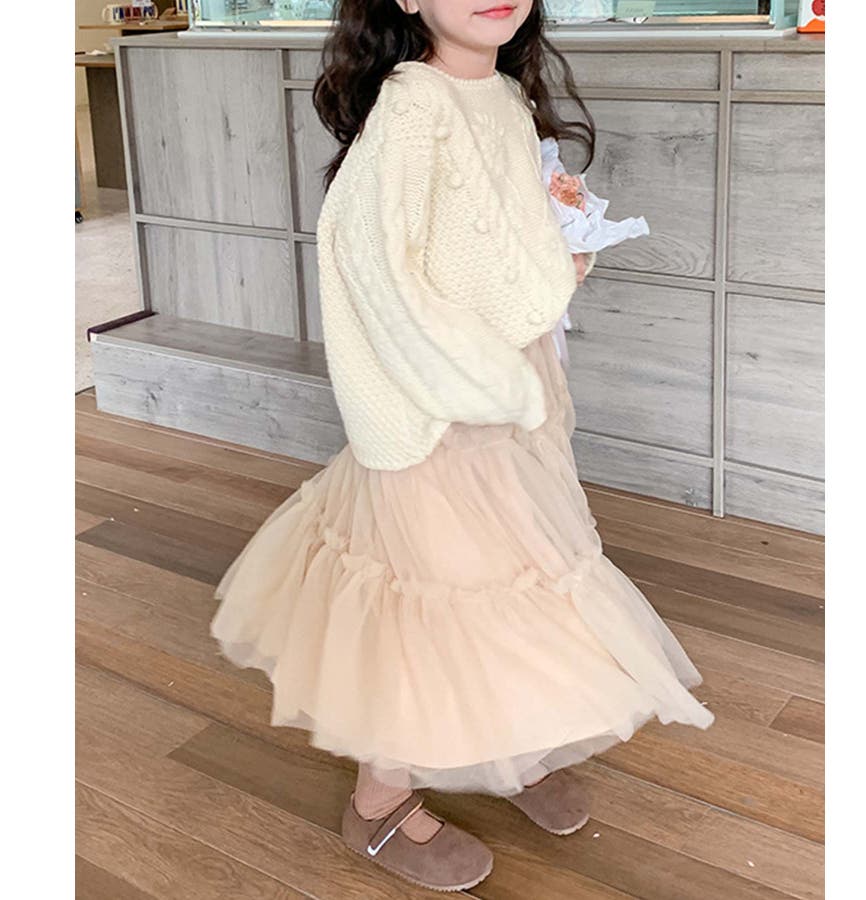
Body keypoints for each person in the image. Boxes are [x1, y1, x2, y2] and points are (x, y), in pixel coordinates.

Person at [210, 0, 715, 892]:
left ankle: (506, 744)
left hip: (508, 390)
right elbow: (373, 265)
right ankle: (379, 801)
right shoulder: (414, 107)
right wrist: (483, 382)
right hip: (442, 402)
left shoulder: (502, 97)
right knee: (436, 591)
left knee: (518, 565)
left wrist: (562, 255)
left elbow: (493, 248)